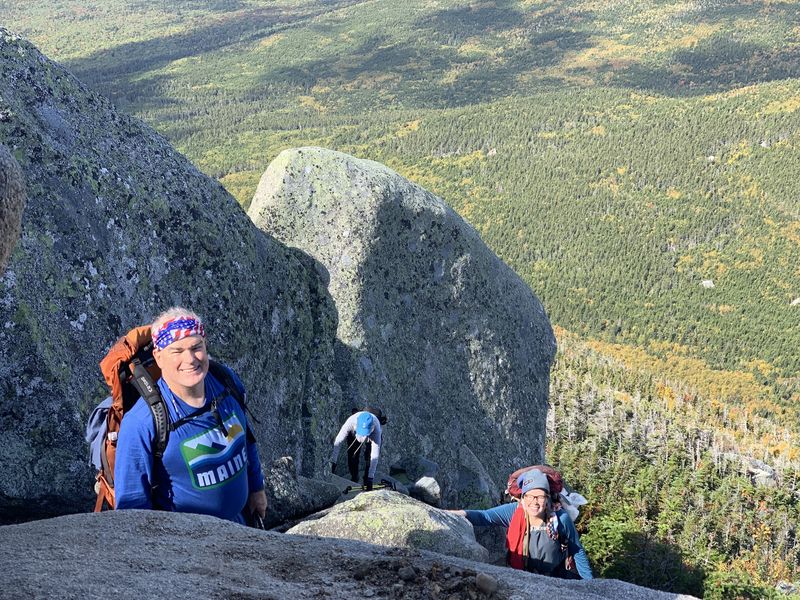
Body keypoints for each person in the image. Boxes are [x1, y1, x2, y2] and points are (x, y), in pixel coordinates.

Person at [114, 307, 267, 524]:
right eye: (177, 351)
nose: (190, 359)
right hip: (186, 546)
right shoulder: (142, 422)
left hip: (242, 524)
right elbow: (131, 503)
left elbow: (247, 440)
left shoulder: (225, 381)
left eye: (197, 347)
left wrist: (257, 488)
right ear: (158, 357)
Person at [449, 470, 592, 579]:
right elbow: (484, 516)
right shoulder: (514, 512)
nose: (534, 502)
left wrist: (589, 584)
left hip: (556, 578)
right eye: (530, 496)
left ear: (547, 499)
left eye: (540, 497)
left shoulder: (560, 519)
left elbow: (576, 550)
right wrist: (448, 514)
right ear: (522, 498)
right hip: (523, 577)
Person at [330, 409, 382, 490]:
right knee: (352, 454)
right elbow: (338, 442)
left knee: (369, 456)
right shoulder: (351, 421)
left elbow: (375, 455)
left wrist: (370, 478)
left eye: (365, 433)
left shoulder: (376, 428)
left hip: (372, 433)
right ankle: (354, 477)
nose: (363, 436)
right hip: (354, 432)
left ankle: (366, 479)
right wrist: (333, 463)